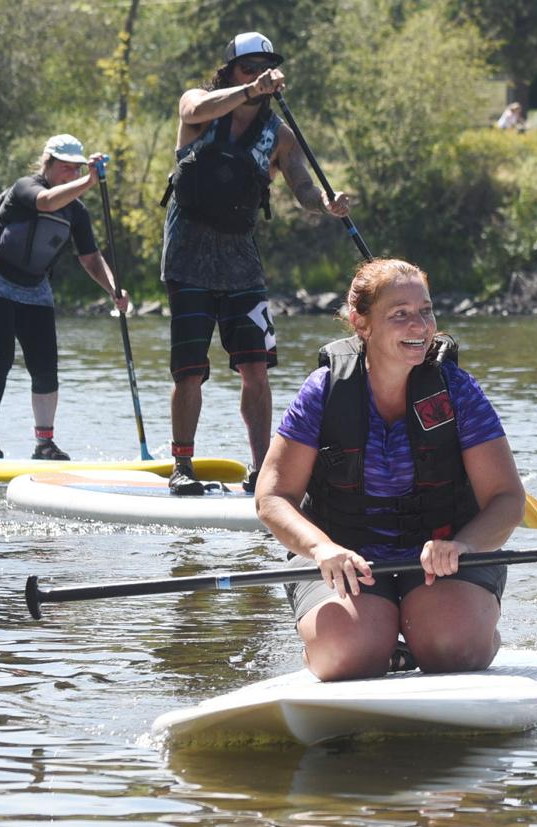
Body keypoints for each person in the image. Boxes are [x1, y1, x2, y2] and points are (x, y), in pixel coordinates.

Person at [255, 259, 528, 682]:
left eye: (425, 311)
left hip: (444, 560)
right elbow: (272, 497)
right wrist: (321, 548)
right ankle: (370, 643)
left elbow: (507, 499)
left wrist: (463, 545)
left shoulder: (457, 390)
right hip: (345, 559)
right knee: (347, 658)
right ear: (360, 323)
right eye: (400, 314)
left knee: (455, 650)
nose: (419, 326)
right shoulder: (323, 391)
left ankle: (447, 636)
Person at [160, 31, 350, 495]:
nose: (259, 76)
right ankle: (182, 464)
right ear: (229, 71)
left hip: (241, 261)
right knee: (190, 368)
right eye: (249, 69)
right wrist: (249, 90)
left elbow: (302, 187)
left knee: (255, 368)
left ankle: (262, 467)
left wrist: (325, 202)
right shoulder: (199, 105)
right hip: (188, 256)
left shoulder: (279, 134)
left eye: (265, 69)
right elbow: (192, 111)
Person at [0, 134, 130, 460]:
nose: (72, 174)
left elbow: (90, 258)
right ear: (48, 164)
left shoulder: (77, 213)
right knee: (1, 355)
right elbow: (46, 203)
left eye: (77, 169)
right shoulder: (24, 188)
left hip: (34, 286)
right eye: (66, 168)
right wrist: (89, 181)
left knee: (45, 367)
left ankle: (44, 444)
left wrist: (114, 288)